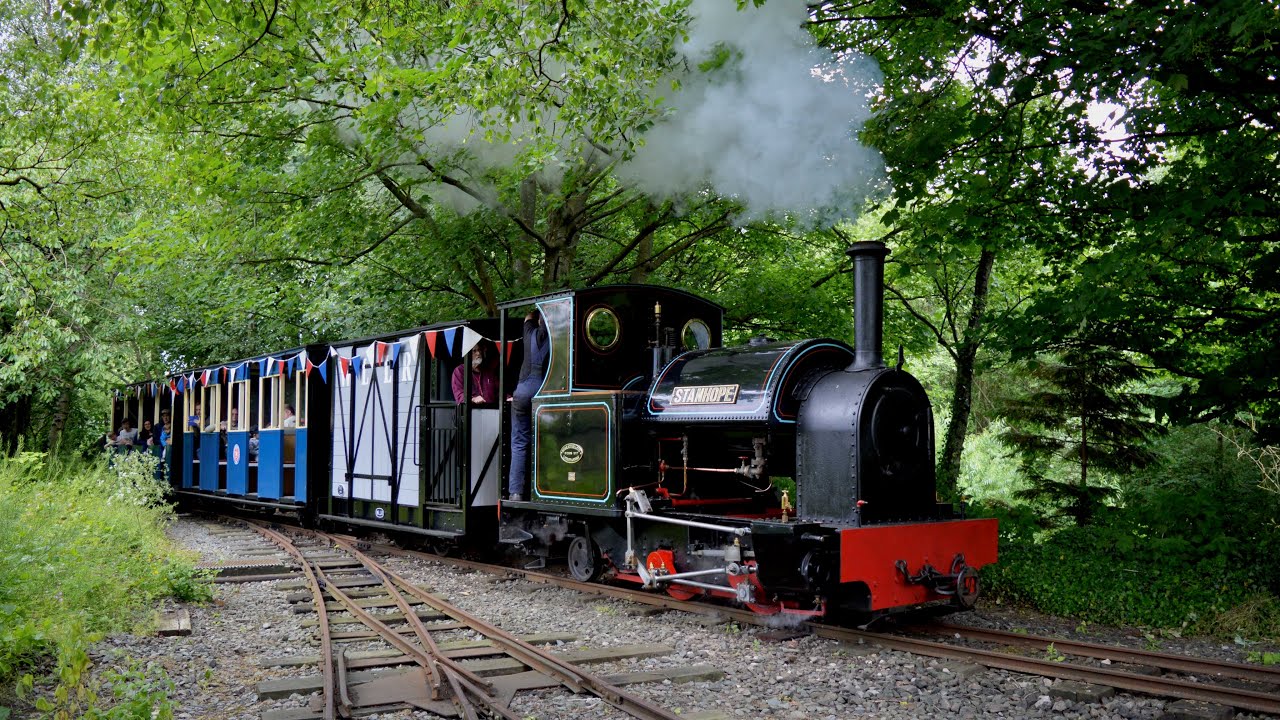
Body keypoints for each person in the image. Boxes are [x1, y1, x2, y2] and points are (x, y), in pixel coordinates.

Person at [508, 310, 548, 502]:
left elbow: (527, 318)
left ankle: (516, 492)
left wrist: (534, 312)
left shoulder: (529, 331)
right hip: (544, 390)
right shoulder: (557, 339)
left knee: (519, 442)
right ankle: (542, 489)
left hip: (523, 391)